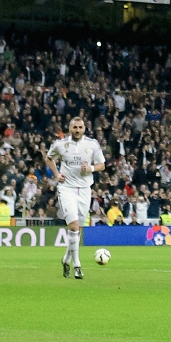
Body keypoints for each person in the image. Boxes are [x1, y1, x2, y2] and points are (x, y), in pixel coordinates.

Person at [47, 116, 105, 279]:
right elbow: (48, 158)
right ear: (69, 128)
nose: (77, 130)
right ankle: (77, 265)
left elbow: (102, 164)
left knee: (77, 228)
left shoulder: (92, 144)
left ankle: (66, 259)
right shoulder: (60, 145)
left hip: (85, 190)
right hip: (67, 189)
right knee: (73, 226)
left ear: (84, 129)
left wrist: (91, 168)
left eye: (80, 127)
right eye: (75, 127)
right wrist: (57, 174)